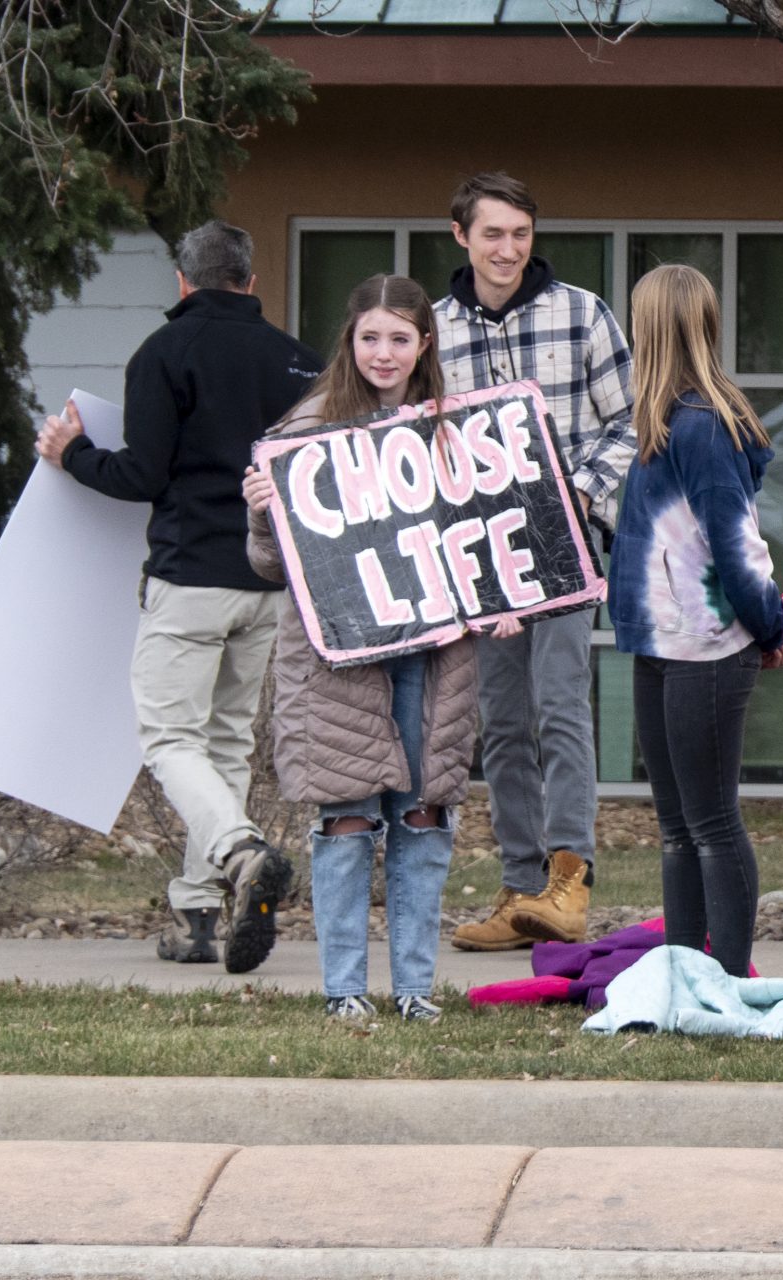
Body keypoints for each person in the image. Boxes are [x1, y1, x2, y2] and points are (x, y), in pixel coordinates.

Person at [37, 220, 322, 973]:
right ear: (251, 282)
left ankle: (237, 851)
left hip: (191, 578)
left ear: (183, 282)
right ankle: (197, 913)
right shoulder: (301, 364)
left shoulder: (164, 353)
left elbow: (141, 477)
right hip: (270, 584)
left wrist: (74, 456)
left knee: (169, 739)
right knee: (226, 742)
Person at [241, 275, 517, 1023]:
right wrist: (265, 517)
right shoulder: (304, 431)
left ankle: (415, 991)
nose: (384, 353)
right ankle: (344, 991)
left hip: (433, 659)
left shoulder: (456, 431)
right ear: (350, 341)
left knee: (424, 814)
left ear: (424, 343)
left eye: (400, 338)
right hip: (340, 661)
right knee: (348, 820)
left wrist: (506, 597)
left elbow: (487, 537)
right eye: (371, 338)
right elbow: (271, 566)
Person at [434, 172, 638, 953]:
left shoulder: (582, 314)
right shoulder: (434, 327)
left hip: (563, 547)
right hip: (479, 560)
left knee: (560, 706)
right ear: (462, 236)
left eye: (520, 234)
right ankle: (520, 890)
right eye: (493, 234)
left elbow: (629, 419)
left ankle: (568, 882)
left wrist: (576, 497)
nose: (508, 249)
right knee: (504, 721)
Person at [610, 264, 783, 979]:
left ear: (648, 330)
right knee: (676, 828)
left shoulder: (705, 428)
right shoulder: (658, 427)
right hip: (661, 643)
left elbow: (737, 541)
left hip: (710, 648)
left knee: (711, 823)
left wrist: (770, 627)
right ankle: (683, 976)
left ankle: (730, 979)